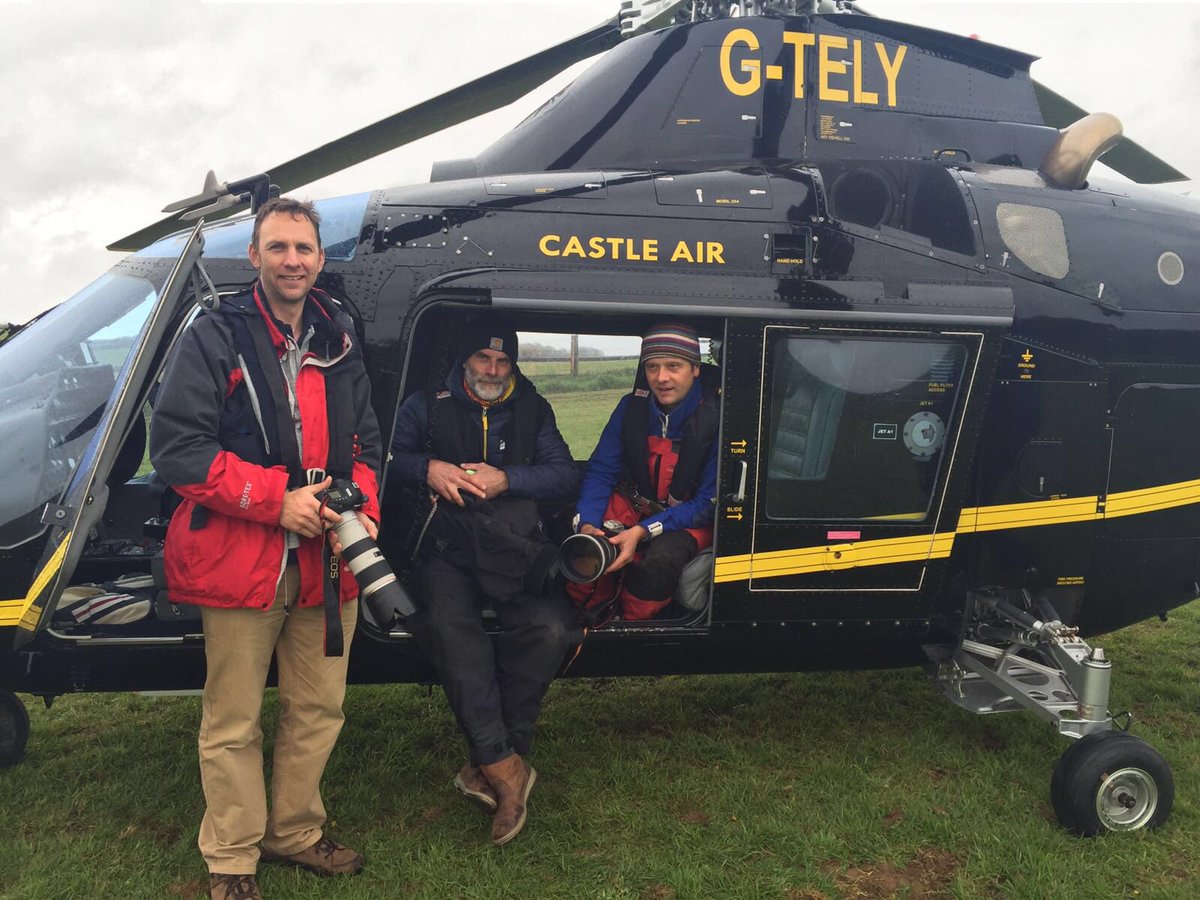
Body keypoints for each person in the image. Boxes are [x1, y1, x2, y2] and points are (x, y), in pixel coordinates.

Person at [150, 198, 382, 900]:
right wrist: (275, 500)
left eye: (303, 249)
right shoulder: (213, 337)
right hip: (241, 561)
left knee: (318, 709)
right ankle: (233, 856)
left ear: (319, 258)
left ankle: (296, 833)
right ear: (255, 257)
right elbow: (178, 449)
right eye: (277, 247)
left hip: (326, 561)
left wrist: (359, 509)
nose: (292, 260)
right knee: (233, 719)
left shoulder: (339, 339)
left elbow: (366, 447)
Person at [388, 317, 579, 845]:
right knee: (451, 630)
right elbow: (387, 459)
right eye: (483, 360)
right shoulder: (425, 405)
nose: (492, 370)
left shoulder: (533, 408)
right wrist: (428, 468)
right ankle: (506, 767)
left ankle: (497, 760)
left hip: (513, 551)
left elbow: (564, 474)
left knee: (550, 631)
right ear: (465, 362)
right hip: (444, 553)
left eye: (502, 362)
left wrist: (508, 479)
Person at [572, 323, 718, 620]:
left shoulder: (718, 418)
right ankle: (587, 618)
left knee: (660, 560)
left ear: (696, 368)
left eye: (673, 366)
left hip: (690, 519)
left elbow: (706, 505)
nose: (661, 378)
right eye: (652, 367)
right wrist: (587, 524)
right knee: (588, 545)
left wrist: (642, 532)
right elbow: (601, 471)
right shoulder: (630, 409)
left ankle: (634, 626)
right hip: (636, 504)